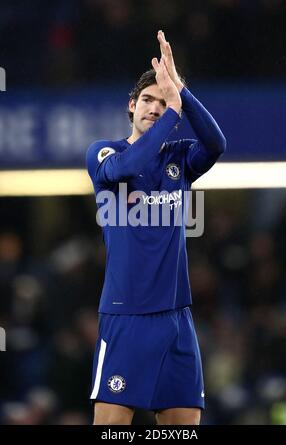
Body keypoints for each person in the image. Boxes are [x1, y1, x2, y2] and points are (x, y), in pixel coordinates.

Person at [86, 30, 226, 425]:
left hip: (177, 320)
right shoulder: (104, 152)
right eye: (148, 100)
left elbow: (216, 144)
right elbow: (128, 168)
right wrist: (173, 113)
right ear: (131, 106)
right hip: (126, 316)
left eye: (163, 103)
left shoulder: (179, 159)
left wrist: (179, 89)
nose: (155, 108)